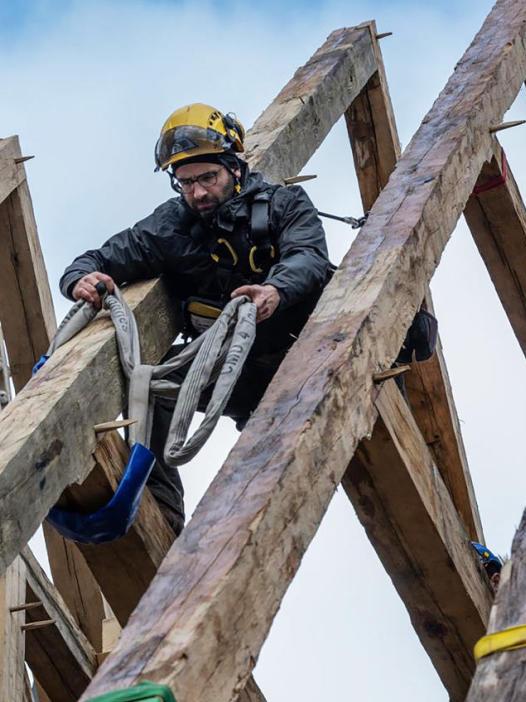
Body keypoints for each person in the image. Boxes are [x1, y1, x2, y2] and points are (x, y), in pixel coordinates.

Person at [59, 103, 333, 532]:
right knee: (153, 394)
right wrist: (80, 277)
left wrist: (274, 291)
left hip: (301, 357)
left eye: (209, 178)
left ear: (234, 169)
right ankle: (162, 521)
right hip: (233, 372)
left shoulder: (284, 205)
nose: (199, 193)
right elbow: (102, 257)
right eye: (186, 183)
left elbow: (309, 257)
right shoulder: (170, 225)